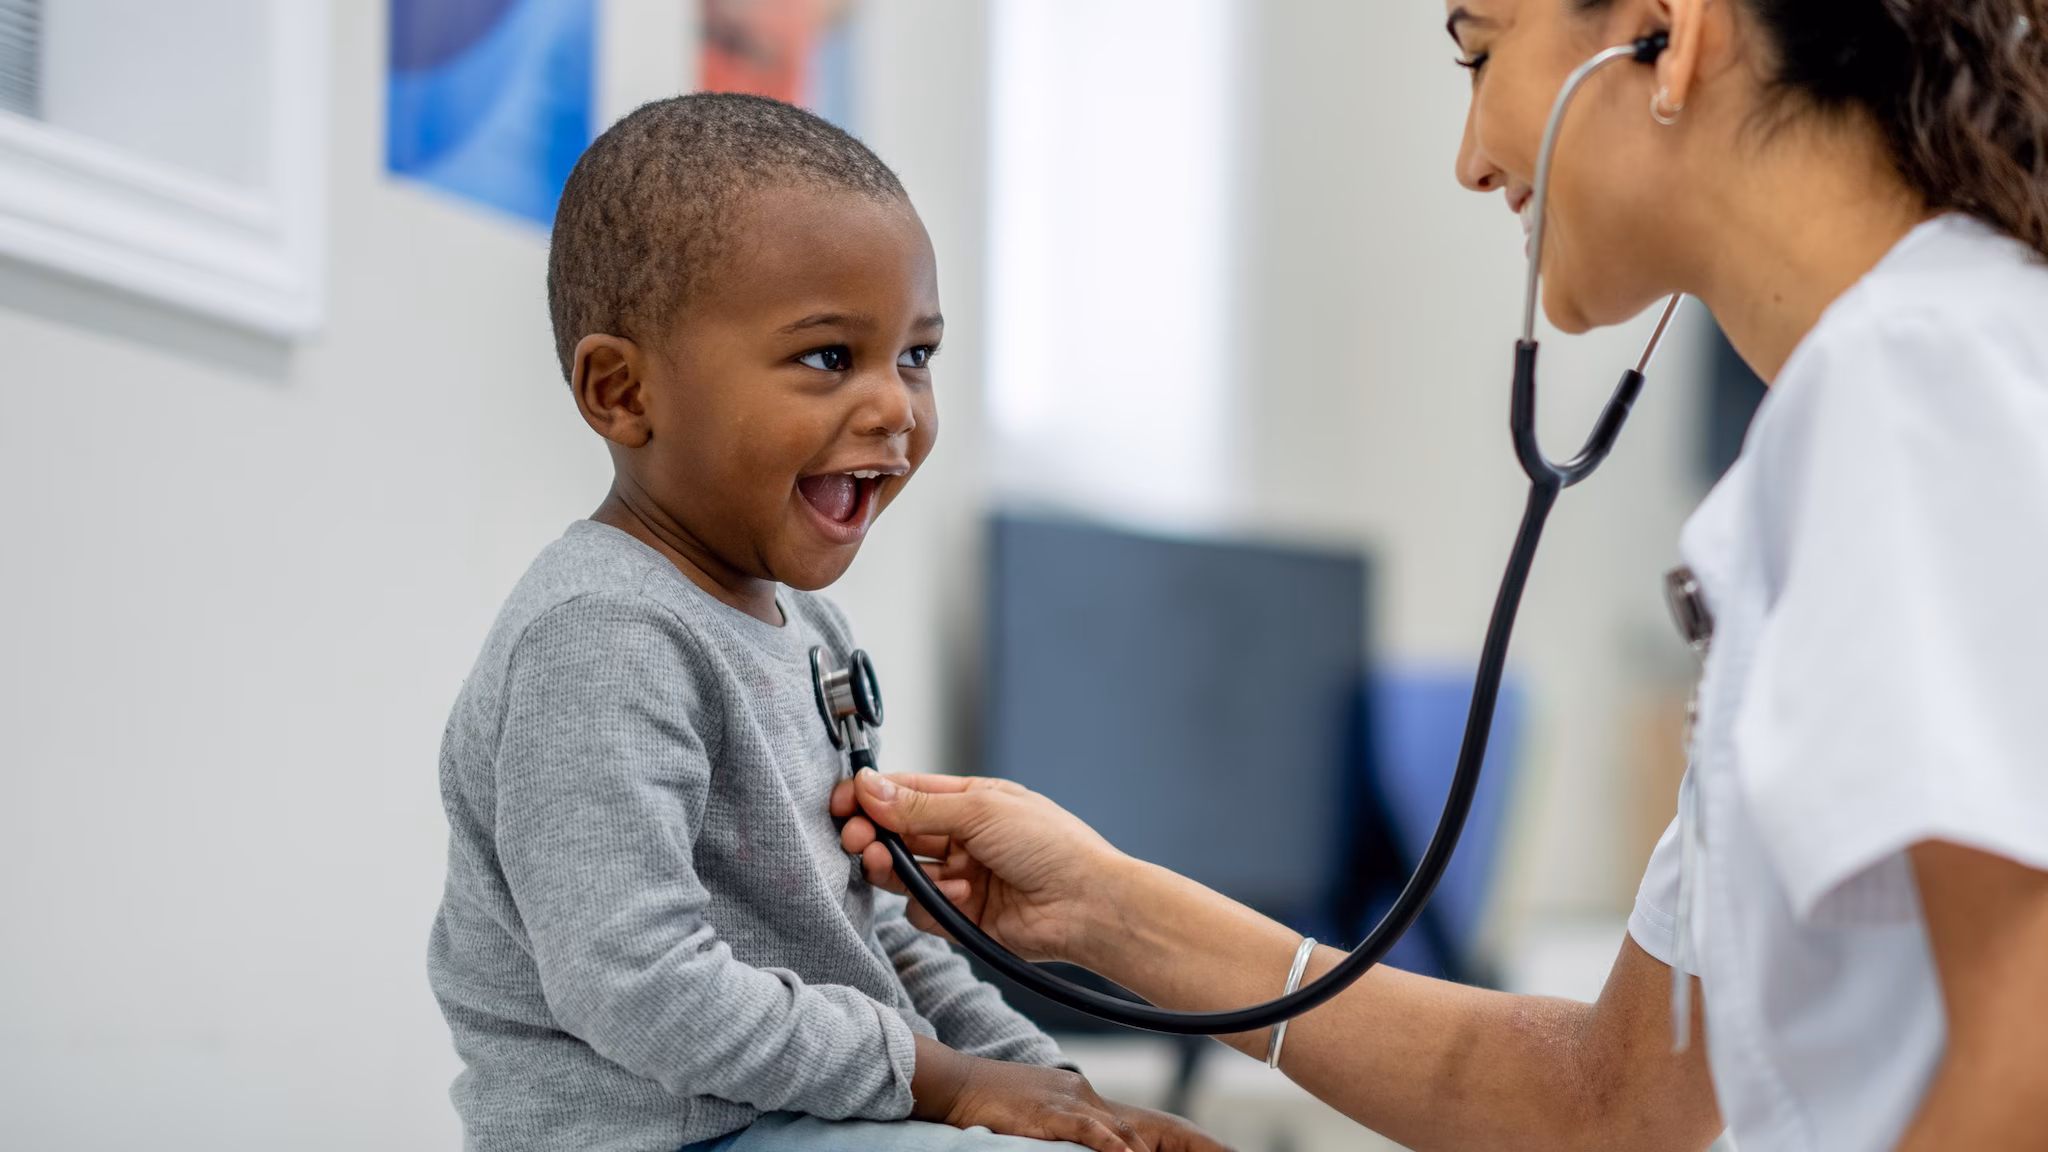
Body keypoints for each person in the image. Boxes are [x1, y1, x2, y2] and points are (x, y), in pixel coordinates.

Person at [835, 1, 2048, 1149]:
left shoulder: (1913, 375)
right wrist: (1104, 909)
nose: (1469, 159)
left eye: (1477, 51)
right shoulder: (1901, 381)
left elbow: (2024, 1047)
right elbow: (1608, 1105)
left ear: (1663, 37)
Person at [426, 94, 1223, 1152]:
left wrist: (1064, 1096)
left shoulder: (812, 631)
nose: (896, 405)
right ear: (621, 392)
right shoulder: (601, 637)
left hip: (817, 1115)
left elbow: (873, 936)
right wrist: (945, 1085)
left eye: (916, 356)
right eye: (827, 357)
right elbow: (636, 984)